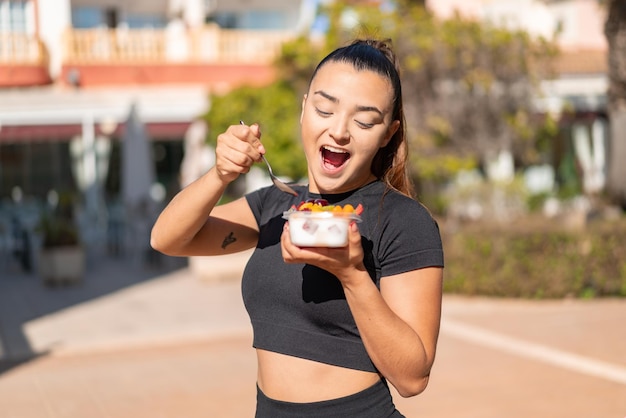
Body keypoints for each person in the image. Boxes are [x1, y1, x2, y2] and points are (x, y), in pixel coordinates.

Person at [151, 38, 444, 417]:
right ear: (304, 110)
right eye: (324, 109)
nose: (339, 131)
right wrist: (219, 175)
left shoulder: (403, 220)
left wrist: (352, 275)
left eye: (364, 120)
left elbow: (412, 378)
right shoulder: (273, 205)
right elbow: (167, 238)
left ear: (388, 133)